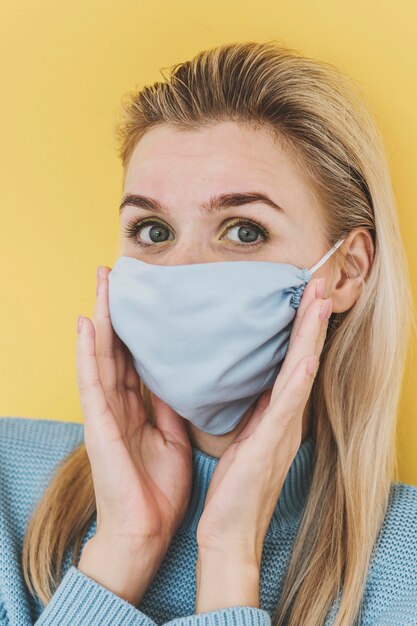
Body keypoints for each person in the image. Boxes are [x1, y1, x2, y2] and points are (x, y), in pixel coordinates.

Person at [0, 40, 416, 626]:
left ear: (347, 270)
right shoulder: (5, 484)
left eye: (244, 231)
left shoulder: (406, 569)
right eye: (152, 230)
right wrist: (122, 549)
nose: (181, 271)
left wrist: (230, 557)